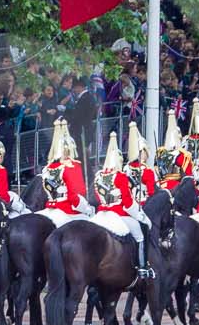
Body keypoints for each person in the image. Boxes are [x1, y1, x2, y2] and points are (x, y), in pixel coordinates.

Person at [85, 133, 149, 282]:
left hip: (101, 215)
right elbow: (127, 203)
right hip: (119, 215)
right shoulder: (120, 177)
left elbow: (96, 197)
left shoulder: (99, 175)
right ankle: (142, 268)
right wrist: (139, 215)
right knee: (140, 235)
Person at [39, 118, 89, 220]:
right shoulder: (71, 166)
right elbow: (75, 194)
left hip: (50, 207)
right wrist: (85, 209)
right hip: (68, 210)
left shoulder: (47, 168)